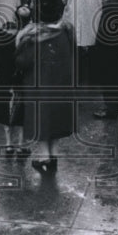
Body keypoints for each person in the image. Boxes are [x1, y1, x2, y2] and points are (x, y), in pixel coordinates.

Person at [15, 18, 75, 176]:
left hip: (39, 85)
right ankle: (53, 155)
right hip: (61, 83)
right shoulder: (66, 30)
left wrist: (19, 38)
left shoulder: (34, 36)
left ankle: (44, 157)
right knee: (55, 119)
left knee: (41, 119)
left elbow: (22, 62)